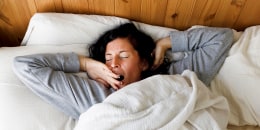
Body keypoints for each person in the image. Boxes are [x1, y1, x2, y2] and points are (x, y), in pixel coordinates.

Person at [13, 23, 233, 120]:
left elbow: (221, 38)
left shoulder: (175, 77)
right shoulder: (93, 97)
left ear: (145, 63)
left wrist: (164, 44)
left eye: (124, 56)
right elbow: (25, 66)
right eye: (107, 59)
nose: (113, 63)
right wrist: (86, 64)